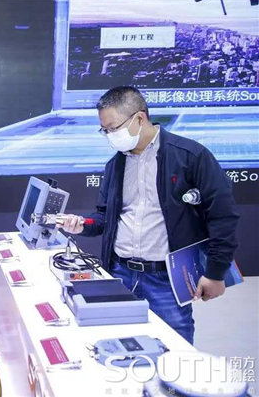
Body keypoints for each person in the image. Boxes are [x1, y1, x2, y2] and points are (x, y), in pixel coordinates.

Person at [59, 86, 239, 345]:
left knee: (174, 349)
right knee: (120, 348)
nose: (110, 136)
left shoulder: (190, 156)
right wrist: (82, 226)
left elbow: (222, 216)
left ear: (139, 118)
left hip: (166, 278)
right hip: (120, 273)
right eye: (104, 130)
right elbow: (105, 216)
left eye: (113, 128)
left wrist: (215, 272)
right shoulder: (115, 165)